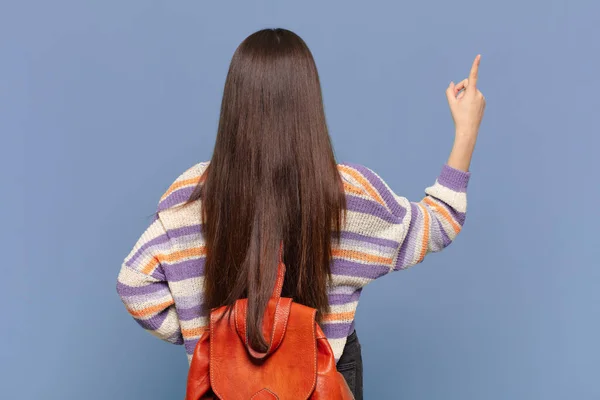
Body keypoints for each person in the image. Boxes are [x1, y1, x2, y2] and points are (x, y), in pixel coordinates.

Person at [116, 28, 485, 399]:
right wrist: (466, 131)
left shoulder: (192, 195)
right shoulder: (350, 197)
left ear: (234, 104)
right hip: (324, 383)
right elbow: (440, 222)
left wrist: (203, 331)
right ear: (309, 103)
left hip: (223, 384)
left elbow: (134, 285)